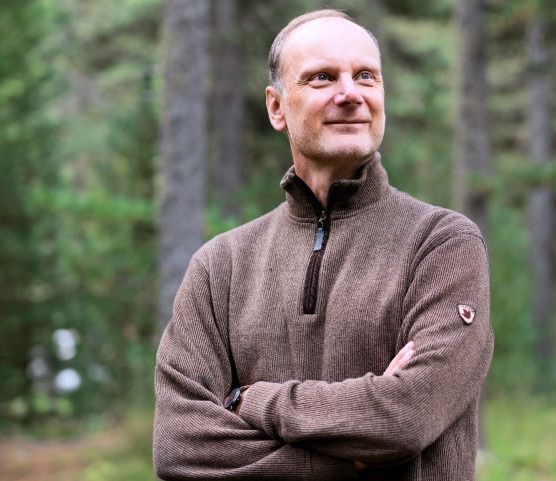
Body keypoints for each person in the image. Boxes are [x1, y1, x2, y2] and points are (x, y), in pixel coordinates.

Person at [153, 9, 494, 481]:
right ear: (277, 107)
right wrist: (354, 460)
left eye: (366, 76)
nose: (350, 94)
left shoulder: (441, 245)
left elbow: (406, 417)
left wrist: (250, 400)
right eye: (322, 78)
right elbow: (179, 447)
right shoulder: (220, 267)